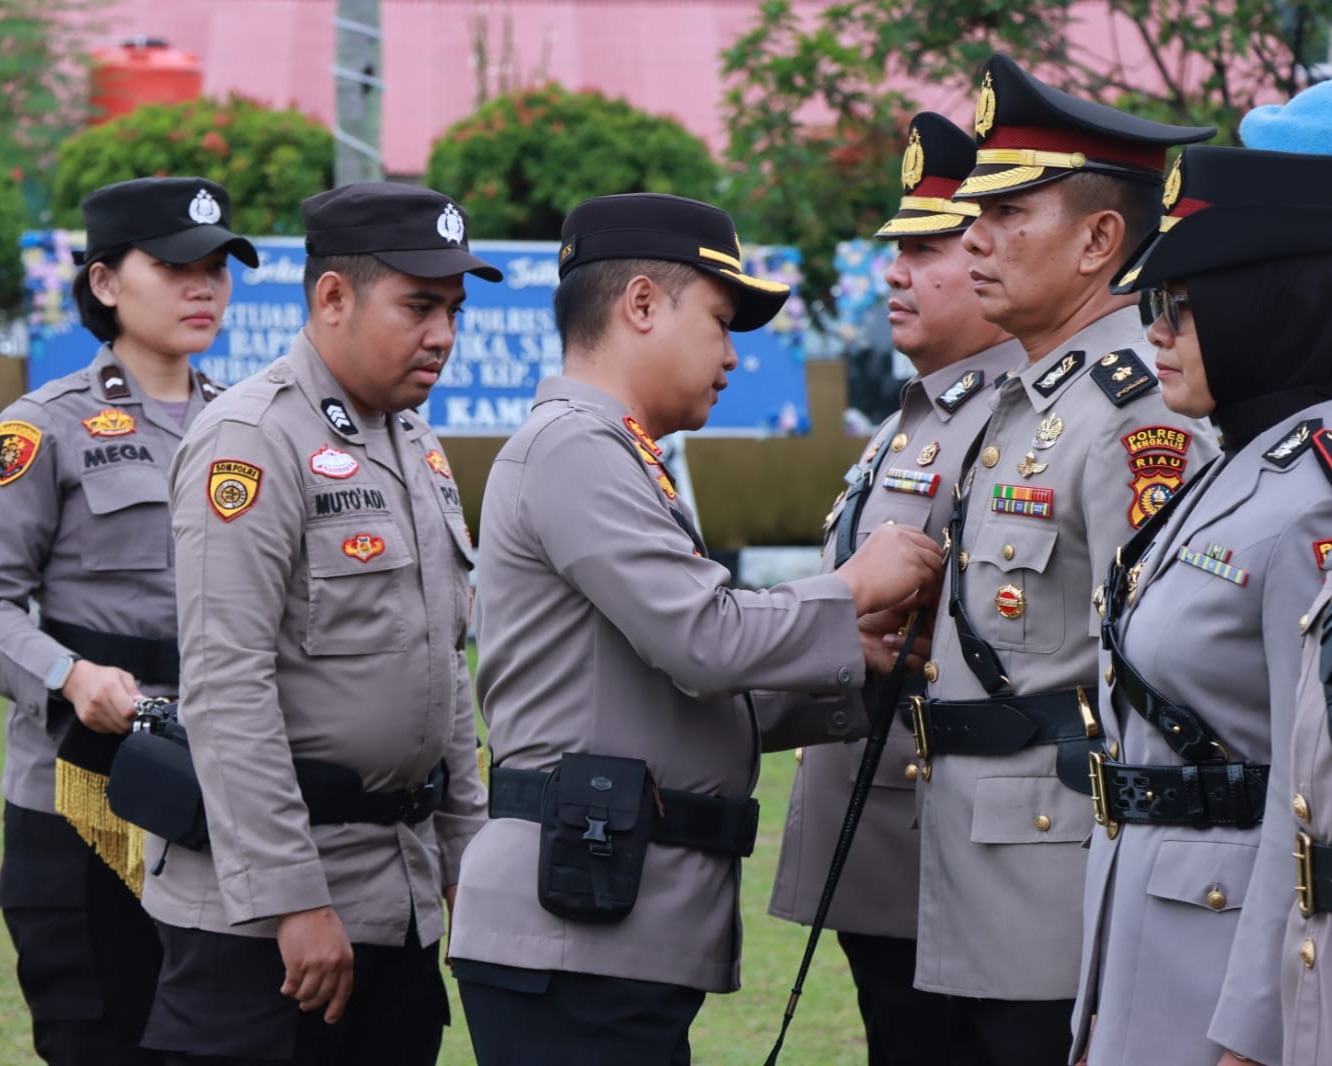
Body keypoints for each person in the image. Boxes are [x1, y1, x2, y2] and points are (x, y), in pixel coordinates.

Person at [447, 191, 945, 1065]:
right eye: (720, 323)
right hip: (576, 937)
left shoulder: (615, 452)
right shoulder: (576, 448)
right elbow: (703, 641)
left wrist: (853, 665)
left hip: (608, 922)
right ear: (641, 304)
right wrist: (850, 587)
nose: (730, 356)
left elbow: (675, 694)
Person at [905, 53, 1220, 1065]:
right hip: (979, 858)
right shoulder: (1032, 399)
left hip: (1055, 872)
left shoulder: (1133, 413)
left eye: (1008, 215)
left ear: (1098, 240)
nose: (975, 236)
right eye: (974, 215)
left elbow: (1164, 672)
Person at [138, 182, 493, 1066]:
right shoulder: (251, 439)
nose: (443, 334)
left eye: (452, 309)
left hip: (394, 895)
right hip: (264, 925)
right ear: (333, 296)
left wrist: (466, 860)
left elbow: (444, 667)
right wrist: (293, 901)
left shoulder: (414, 441)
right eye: (419, 306)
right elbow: (226, 684)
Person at [766, 112, 1022, 1066]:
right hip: (882, 838)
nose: (895, 274)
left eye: (927, 249)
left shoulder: (1013, 415)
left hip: (947, 840)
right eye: (896, 251)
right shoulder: (913, 414)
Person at [1073, 144, 1332, 1066]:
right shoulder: (1235, 465)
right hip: (1146, 930)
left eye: (1184, 307)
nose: (1158, 330)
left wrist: (1257, 1029)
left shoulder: (1311, 497)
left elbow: (1310, 795)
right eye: (1152, 305)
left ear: (1272, 302)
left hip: (1228, 970)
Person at [0, 176, 255, 1065]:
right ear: (105, 283)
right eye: (177, 265)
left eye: (219, 267)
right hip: (81, 792)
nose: (205, 287)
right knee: (98, 1037)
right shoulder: (45, 428)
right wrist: (65, 675)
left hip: (222, 787)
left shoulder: (249, 427)